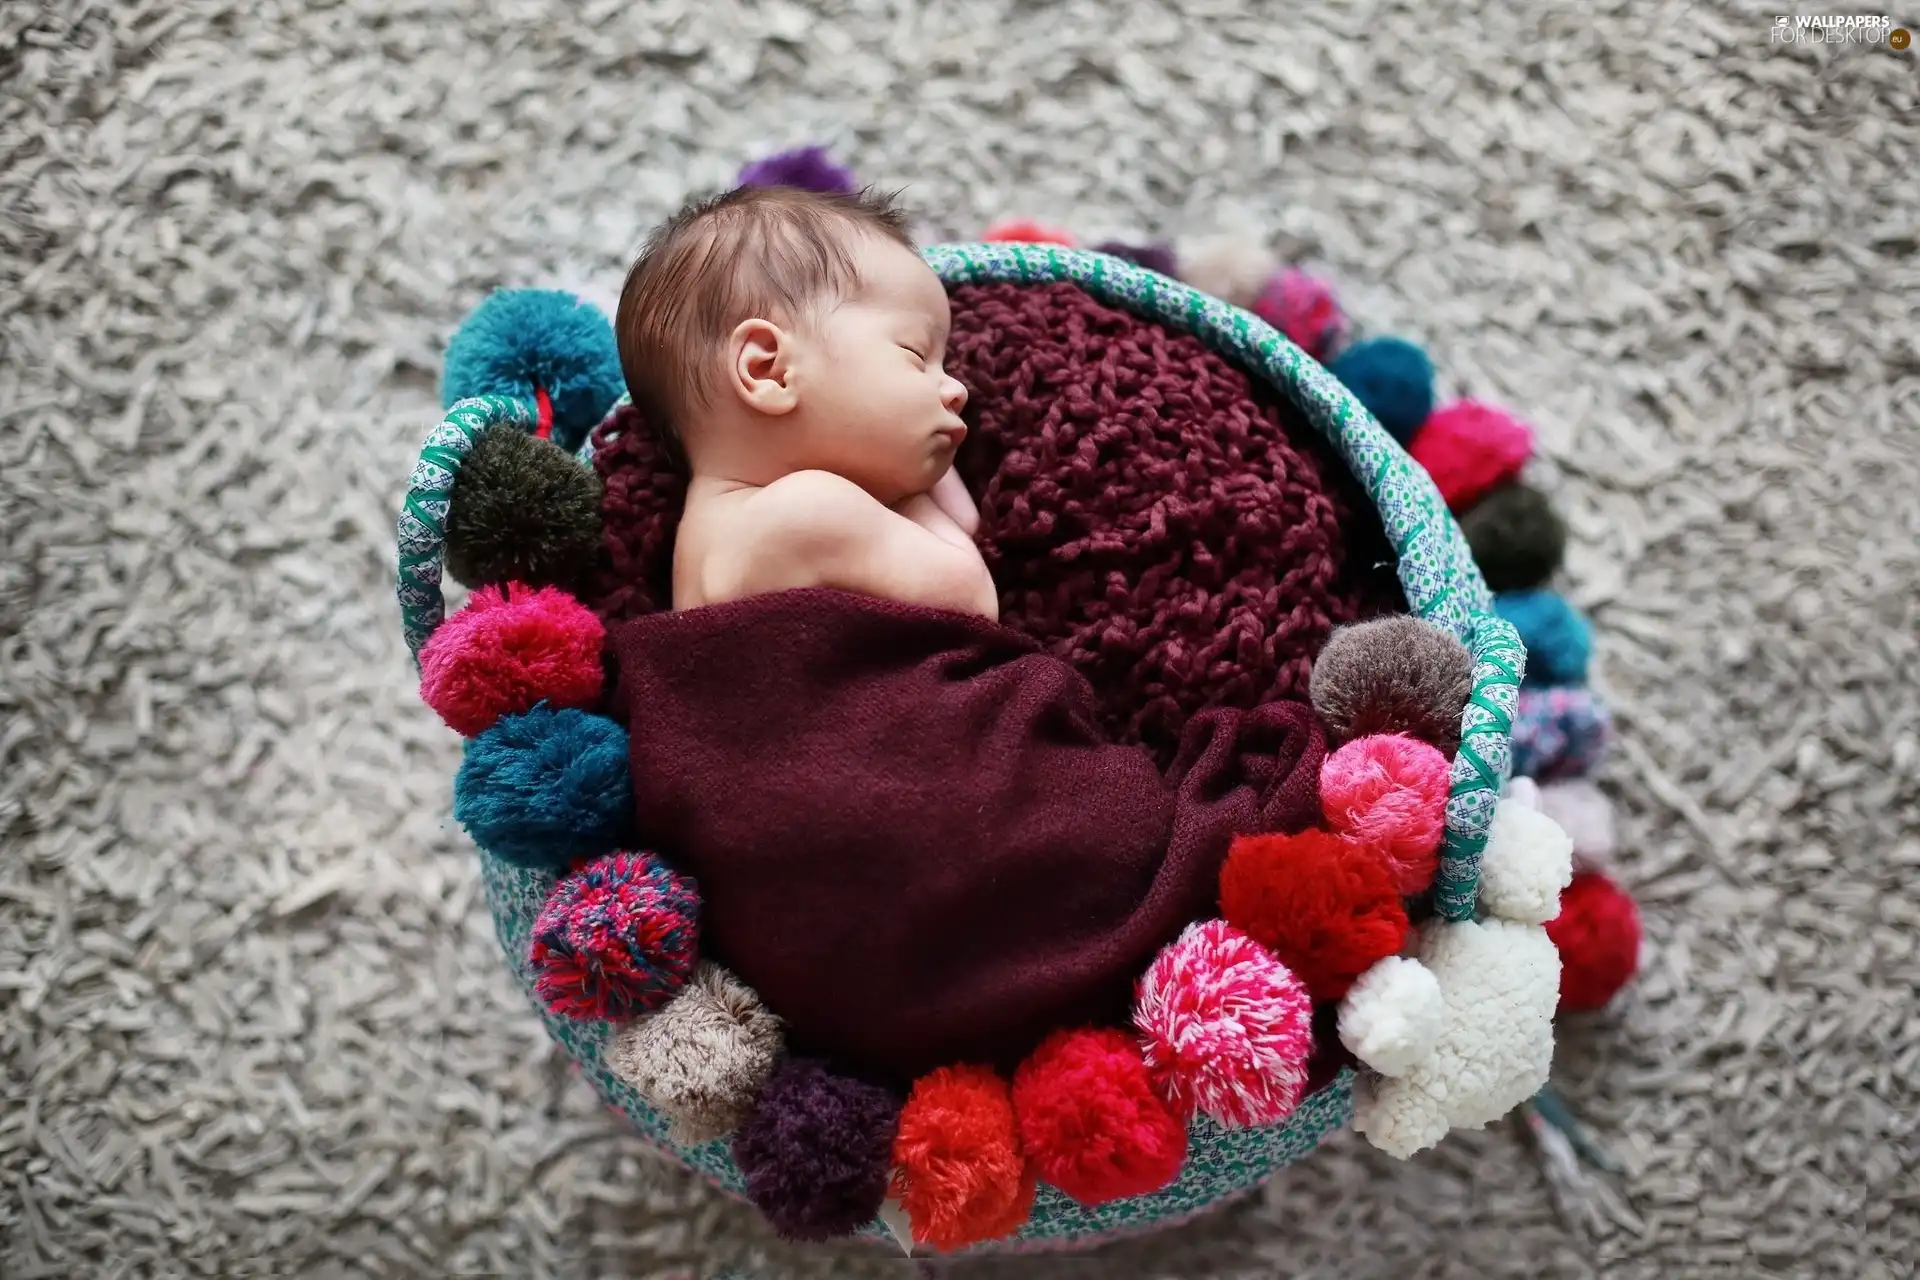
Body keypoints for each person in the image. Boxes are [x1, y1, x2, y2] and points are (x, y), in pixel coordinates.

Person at [615, 184, 997, 620]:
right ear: (769, 371)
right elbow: (973, 598)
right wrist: (912, 491)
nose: (957, 390)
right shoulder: (807, 511)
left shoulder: (698, 544)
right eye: (914, 354)